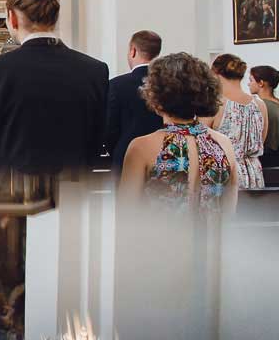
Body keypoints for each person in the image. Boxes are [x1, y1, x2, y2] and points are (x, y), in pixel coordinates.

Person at [0, 0, 108, 177]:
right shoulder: (95, 70)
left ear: (12, 18)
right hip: (72, 197)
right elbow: (95, 144)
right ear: (54, 17)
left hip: (12, 199)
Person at [120, 53, 237, 211]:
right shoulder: (224, 144)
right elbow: (228, 213)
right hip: (210, 236)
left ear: (157, 97)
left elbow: (126, 214)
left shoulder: (141, 147)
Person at [105, 30, 164, 171]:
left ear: (133, 51)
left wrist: (117, 151)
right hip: (163, 156)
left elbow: (109, 128)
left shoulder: (116, 85)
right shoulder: (167, 84)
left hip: (126, 157)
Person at [209, 53, 267, 189]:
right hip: (254, 172)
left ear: (215, 74)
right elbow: (261, 140)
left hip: (224, 172)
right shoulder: (260, 104)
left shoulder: (214, 104)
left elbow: (200, 144)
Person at [248, 65, 279, 167]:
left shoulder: (260, 106)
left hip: (267, 160)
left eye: (251, 80)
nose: (248, 84)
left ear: (261, 83)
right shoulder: (276, 103)